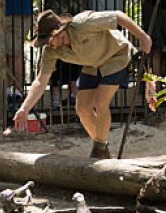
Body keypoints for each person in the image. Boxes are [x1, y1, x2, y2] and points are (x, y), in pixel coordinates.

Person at [13, 10, 152, 158]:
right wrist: (24, 108)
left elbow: (117, 16)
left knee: (100, 103)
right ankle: (102, 147)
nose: (48, 44)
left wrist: (143, 37)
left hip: (116, 56)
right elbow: (41, 81)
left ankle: (98, 150)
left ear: (60, 32)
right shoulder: (51, 51)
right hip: (92, 65)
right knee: (82, 108)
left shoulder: (83, 23)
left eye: (49, 39)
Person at [42, 0, 94, 109]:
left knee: (75, 56)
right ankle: (56, 96)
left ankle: (74, 93)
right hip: (56, 20)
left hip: (77, 20)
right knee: (56, 57)